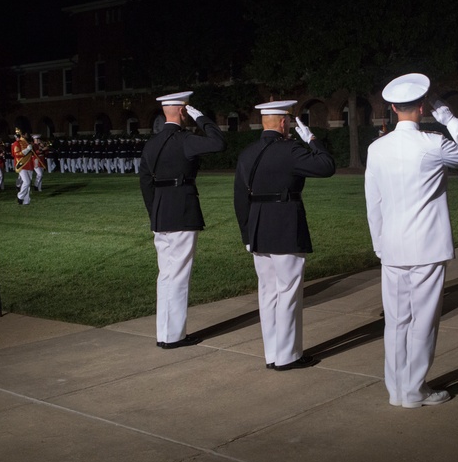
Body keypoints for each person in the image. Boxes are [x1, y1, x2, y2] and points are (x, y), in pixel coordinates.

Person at [364, 73, 458, 408]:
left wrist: (379, 244)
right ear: (421, 107)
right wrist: (447, 115)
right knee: (424, 322)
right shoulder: (432, 142)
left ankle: (397, 389)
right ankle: (415, 390)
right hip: (427, 246)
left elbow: (373, 202)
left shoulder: (377, 148)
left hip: (392, 246)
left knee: (397, 321)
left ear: (391, 108)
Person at [234, 100, 335, 370]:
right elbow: (326, 165)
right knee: (288, 291)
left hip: (257, 229)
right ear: (283, 122)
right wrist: (311, 138)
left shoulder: (248, 153)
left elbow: (239, 199)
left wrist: (247, 234)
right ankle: (288, 355)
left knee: (267, 293)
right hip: (285, 225)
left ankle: (273, 354)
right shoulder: (290, 149)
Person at [139, 91, 226, 349]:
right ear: (182, 111)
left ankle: (165, 333)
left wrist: (154, 211)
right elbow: (219, 142)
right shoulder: (186, 140)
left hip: (160, 213)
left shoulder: (152, 143)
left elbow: (145, 182)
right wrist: (201, 118)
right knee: (178, 276)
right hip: (182, 212)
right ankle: (174, 336)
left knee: (165, 276)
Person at [11, 129, 35, 205]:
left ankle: (26, 200)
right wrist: (27, 150)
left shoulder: (27, 143)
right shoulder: (16, 143)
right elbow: (16, 154)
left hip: (29, 164)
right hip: (21, 164)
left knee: (28, 183)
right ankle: (20, 196)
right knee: (26, 181)